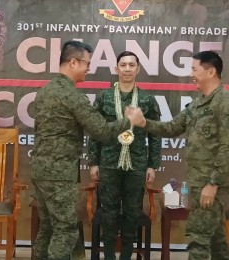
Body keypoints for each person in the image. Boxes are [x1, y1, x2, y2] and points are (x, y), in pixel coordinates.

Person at [30, 41, 144, 260]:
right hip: (59, 173)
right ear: (73, 62)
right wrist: (129, 120)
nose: (88, 69)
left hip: (39, 170)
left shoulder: (44, 91)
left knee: (47, 228)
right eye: (86, 64)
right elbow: (101, 131)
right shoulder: (72, 96)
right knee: (65, 230)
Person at [137, 51, 229, 260]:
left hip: (212, 184)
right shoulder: (197, 105)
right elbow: (172, 127)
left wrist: (213, 184)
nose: (191, 74)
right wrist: (143, 123)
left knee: (198, 237)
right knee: (215, 238)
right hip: (197, 181)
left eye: (194, 69)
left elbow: (228, 148)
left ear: (210, 71)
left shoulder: (225, 104)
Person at [87, 51, 161, 260]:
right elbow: (95, 132)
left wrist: (152, 165)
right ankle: (109, 256)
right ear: (116, 69)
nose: (127, 69)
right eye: (123, 65)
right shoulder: (104, 98)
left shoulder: (147, 100)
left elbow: (155, 134)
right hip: (109, 162)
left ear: (138, 69)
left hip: (136, 164)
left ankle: (127, 256)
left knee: (131, 214)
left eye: (131, 65)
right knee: (109, 214)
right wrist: (93, 163)